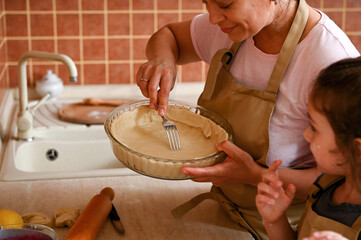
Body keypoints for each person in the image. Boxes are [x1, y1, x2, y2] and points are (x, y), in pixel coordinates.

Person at [136, 0, 360, 239]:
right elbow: (169, 35)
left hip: (290, 226)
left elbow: (346, 177)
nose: (212, 18)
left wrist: (254, 175)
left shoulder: (329, 58)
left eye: (224, 4)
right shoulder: (231, 27)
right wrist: (162, 59)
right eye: (206, 3)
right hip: (224, 209)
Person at [256, 57, 361, 240]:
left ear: (357, 150)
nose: (307, 134)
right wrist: (275, 220)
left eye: (314, 128)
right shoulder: (326, 184)